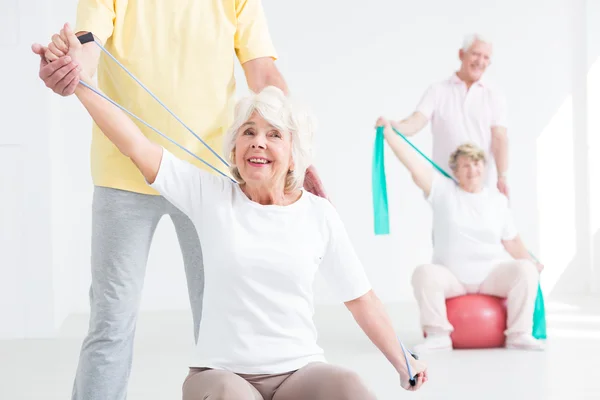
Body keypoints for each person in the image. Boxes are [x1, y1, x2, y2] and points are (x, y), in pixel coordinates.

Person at [39, 25, 429, 399]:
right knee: (230, 394)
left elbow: (362, 299)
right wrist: (79, 84)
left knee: (349, 387)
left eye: (274, 134)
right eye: (248, 132)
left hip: (298, 373)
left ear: (295, 156)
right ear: (234, 149)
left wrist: (401, 360)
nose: (258, 143)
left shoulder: (318, 215)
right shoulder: (209, 195)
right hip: (220, 377)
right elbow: (136, 145)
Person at [31, 1, 324, 399]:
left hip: (211, 178)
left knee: (221, 321)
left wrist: (297, 155)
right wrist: (70, 65)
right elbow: (88, 43)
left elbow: (262, 73)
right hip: (123, 172)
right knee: (111, 321)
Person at [376, 117, 544, 353]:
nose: (472, 170)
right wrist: (390, 135)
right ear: (454, 170)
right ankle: (437, 335)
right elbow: (413, 165)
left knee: (525, 269)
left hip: (490, 276)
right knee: (423, 273)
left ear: (484, 167)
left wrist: (531, 261)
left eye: (476, 164)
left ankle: (519, 334)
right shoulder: (443, 190)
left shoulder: (497, 201)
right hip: (452, 276)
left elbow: (512, 240)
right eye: (465, 165)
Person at [379, 33, 510, 197]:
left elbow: (500, 138)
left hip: (479, 186)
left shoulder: (494, 95)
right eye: (476, 54)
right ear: (461, 54)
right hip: (444, 187)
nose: (480, 61)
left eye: (486, 57)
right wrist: (394, 127)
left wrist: (502, 176)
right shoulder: (438, 91)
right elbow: (416, 121)